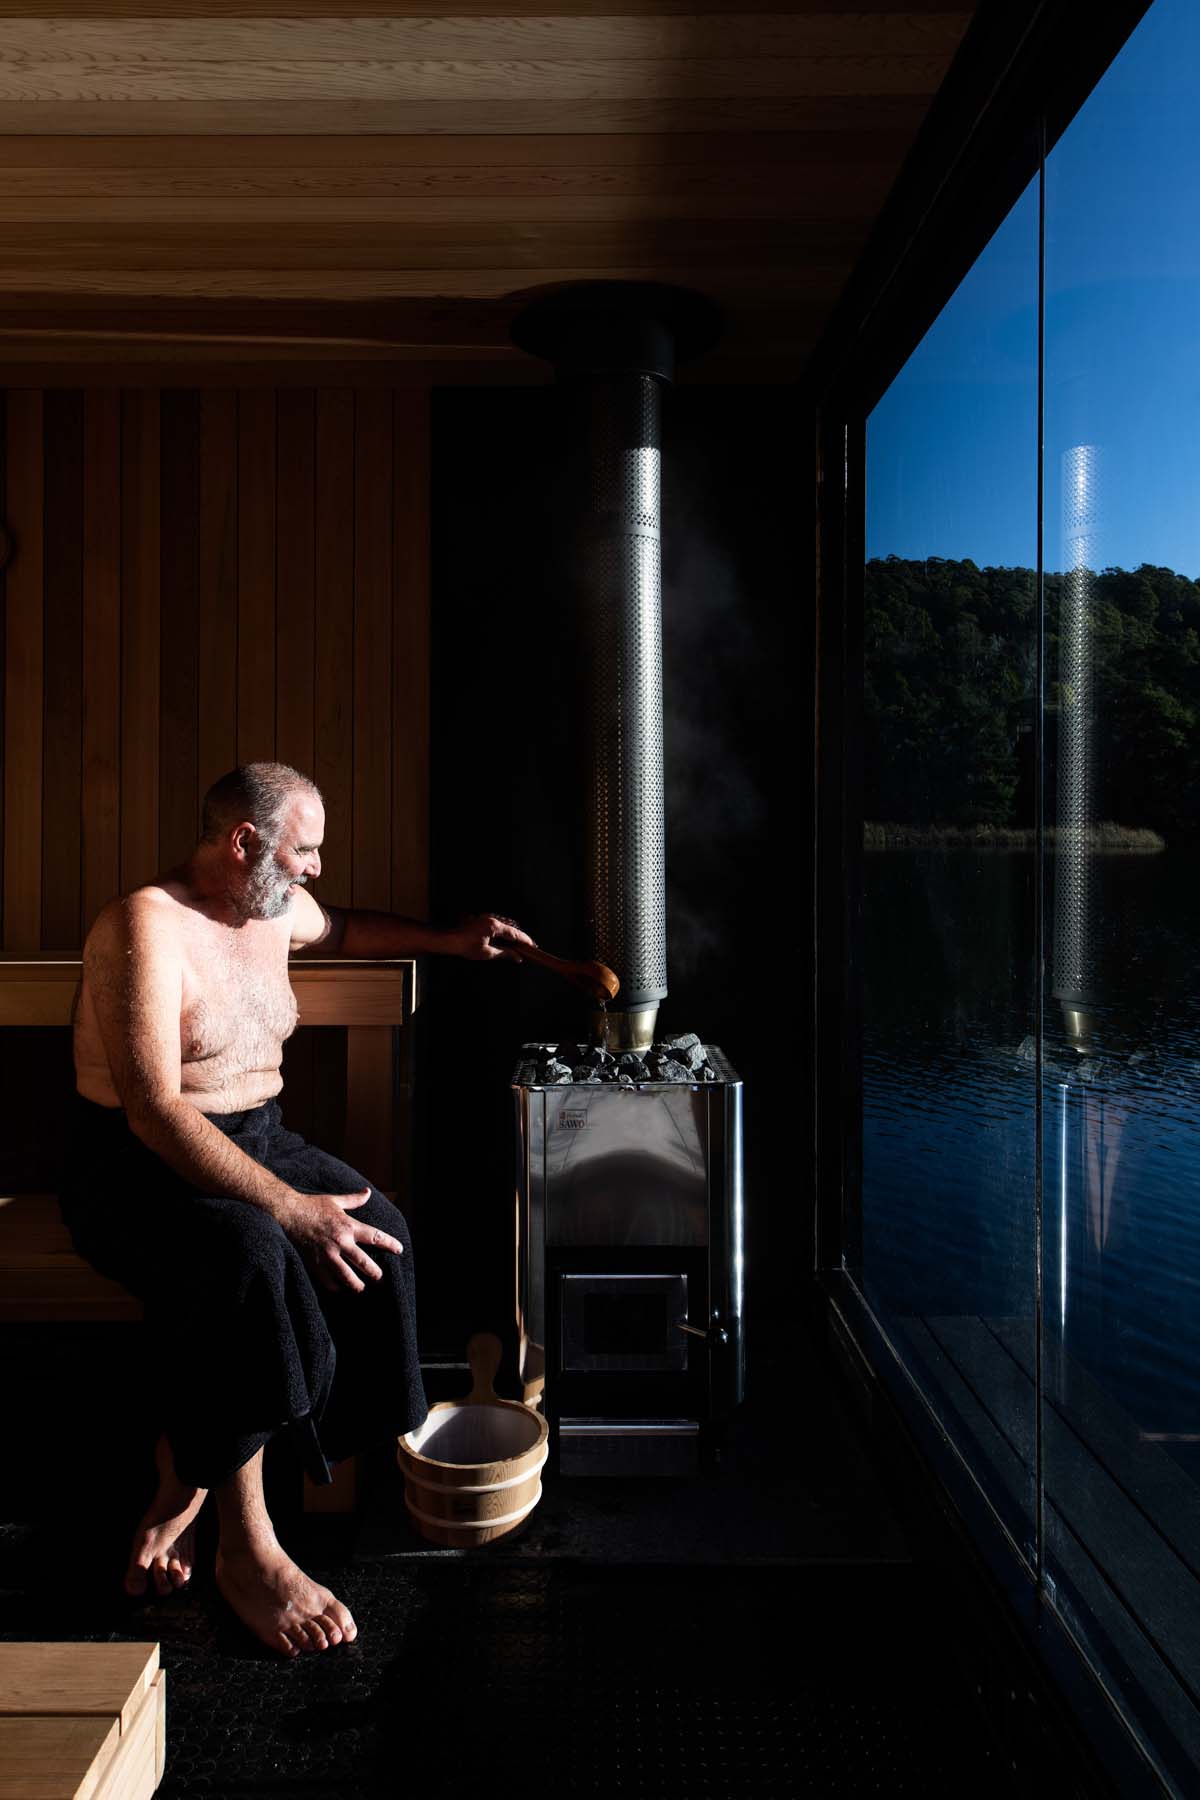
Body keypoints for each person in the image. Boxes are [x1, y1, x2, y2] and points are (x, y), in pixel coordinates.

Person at [59, 761, 532, 1658]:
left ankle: (192, 1460)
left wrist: (451, 940)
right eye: (303, 850)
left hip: (257, 1135)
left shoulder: (272, 907)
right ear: (244, 842)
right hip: (136, 1166)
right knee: (251, 1256)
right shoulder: (143, 926)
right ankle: (249, 1549)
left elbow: (344, 926)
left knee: (381, 1232)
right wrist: (289, 1207)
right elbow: (153, 1112)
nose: (315, 868)